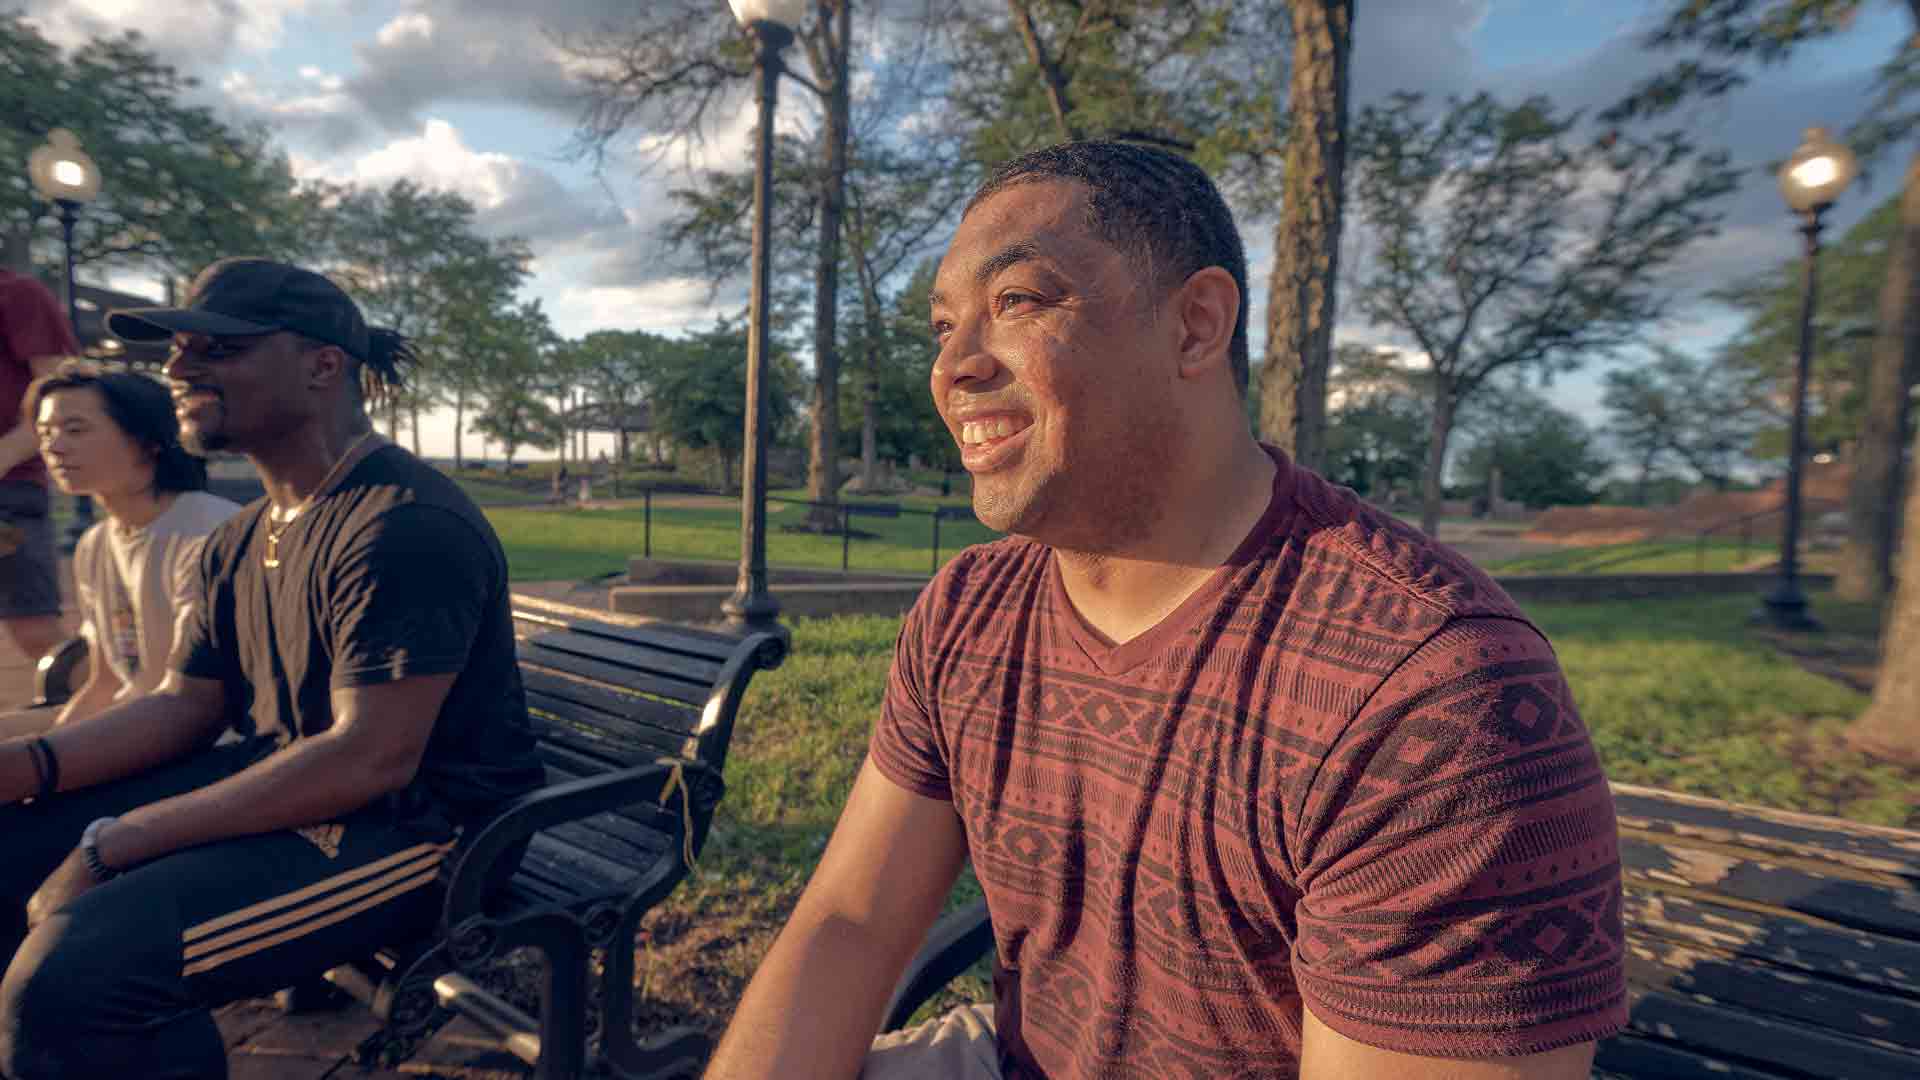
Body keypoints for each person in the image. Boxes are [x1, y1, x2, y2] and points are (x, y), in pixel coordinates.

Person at [705, 142, 1627, 1080]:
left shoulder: (1430, 692)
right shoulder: (967, 612)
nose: (953, 367)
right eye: (943, 328)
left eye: (1016, 302)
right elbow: (851, 922)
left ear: (1194, 325)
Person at [0, 257, 544, 1078]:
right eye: (177, 350)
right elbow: (186, 705)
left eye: (217, 350)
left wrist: (119, 843)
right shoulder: (241, 536)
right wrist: (29, 766)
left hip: (428, 831)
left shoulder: (405, 525)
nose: (177, 369)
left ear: (324, 364)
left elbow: (373, 756)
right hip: (299, 782)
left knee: (79, 977)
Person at [0, 362, 241, 736]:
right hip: (129, 723)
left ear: (148, 441)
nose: (54, 446)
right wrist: (48, 753)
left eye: (75, 430)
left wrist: (45, 765)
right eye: (45, 432)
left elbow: (184, 704)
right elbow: (105, 684)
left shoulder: (207, 533)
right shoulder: (95, 545)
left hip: (203, 745)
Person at [0, 269, 79, 669]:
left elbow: (62, 400)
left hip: (8, 493)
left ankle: (110, 721)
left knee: (35, 631)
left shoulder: (18, 293)